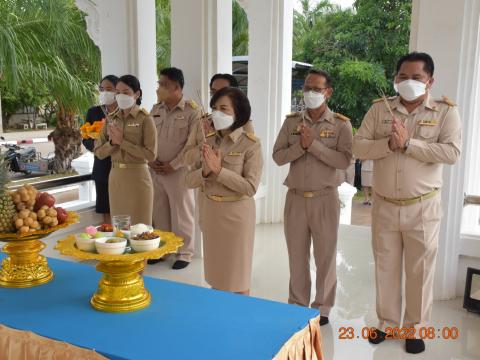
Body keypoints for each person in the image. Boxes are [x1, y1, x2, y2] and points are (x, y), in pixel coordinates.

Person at [352, 52, 461, 354]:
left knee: (420, 271)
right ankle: (387, 323)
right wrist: (387, 144)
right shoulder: (380, 110)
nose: (408, 82)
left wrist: (409, 144)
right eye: (403, 76)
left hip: (423, 207)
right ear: (396, 78)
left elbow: (451, 153)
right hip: (385, 204)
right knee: (385, 267)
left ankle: (415, 328)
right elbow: (358, 145)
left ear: (430, 81)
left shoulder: (444, 112)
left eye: (416, 77)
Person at [272, 69, 353, 326]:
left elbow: (344, 160)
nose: (309, 93)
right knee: (297, 257)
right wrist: (301, 146)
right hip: (295, 198)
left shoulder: (341, 124)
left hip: (325, 199)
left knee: (325, 256)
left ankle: (323, 307)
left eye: (316, 89)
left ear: (328, 92)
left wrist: (314, 146)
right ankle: (297, 304)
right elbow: (278, 156)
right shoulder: (291, 122)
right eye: (307, 88)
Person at [186, 87, 263, 294]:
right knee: (216, 275)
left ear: (238, 112)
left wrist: (218, 171)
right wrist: (204, 171)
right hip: (211, 212)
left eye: (223, 108)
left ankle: (239, 322)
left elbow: (250, 187)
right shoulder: (206, 141)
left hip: (236, 215)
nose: (216, 113)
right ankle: (219, 318)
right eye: (214, 108)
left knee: (237, 278)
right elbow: (188, 180)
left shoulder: (250, 144)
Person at [148, 67, 200, 270]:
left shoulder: (192, 112)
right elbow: (149, 138)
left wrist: (174, 164)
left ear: (177, 87)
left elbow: (193, 144)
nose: (159, 88)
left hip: (178, 171)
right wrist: (150, 160)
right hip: (156, 169)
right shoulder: (156, 109)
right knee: (159, 211)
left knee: (182, 212)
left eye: (164, 85)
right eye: (159, 84)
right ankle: (164, 249)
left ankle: (184, 253)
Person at [95, 75, 157, 225]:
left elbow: (151, 155)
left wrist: (122, 142)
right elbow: (98, 152)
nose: (120, 96)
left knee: (140, 228)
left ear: (137, 94)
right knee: (120, 228)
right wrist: (112, 143)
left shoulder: (145, 119)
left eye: (126, 92)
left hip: (138, 177)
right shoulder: (111, 118)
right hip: (116, 177)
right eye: (118, 92)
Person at [183, 74, 253, 167]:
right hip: (200, 178)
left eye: (223, 92)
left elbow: (249, 162)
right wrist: (204, 148)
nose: (217, 96)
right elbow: (186, 157)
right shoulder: (203, 122)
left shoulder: (244, 123)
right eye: (213, 92)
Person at [83, 75, 118, 224]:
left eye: (109, 89)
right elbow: (85, 138)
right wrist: (97, 146)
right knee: (106, 209)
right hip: (102, 166)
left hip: (122, 165)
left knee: (124, 207)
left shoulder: (125, 112)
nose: (105, 92)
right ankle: (109, 241)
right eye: (102, 89)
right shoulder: (94, 112)